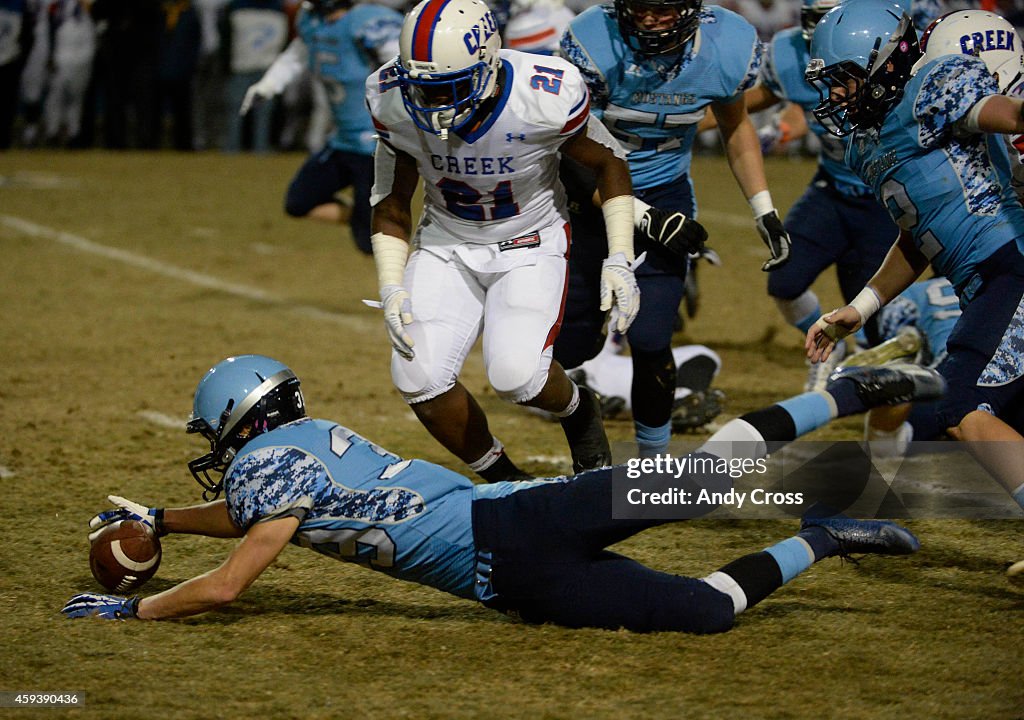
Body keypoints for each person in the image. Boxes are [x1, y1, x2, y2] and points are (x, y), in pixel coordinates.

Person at [62, 354, 940, 630]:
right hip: (511, 572)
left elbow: (228, 582)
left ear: (237, 423)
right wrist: (164, 518)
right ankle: (830, 539)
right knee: (707, 609)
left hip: (516, 530)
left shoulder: (263, 472)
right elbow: (259, 516)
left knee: (712, 472)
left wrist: (129, 614)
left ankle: (853, 390)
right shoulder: (285, 458)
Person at [364, 0, 643, 481]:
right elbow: (390, 200)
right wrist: (391, 285)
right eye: (422, 90)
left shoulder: (542, 95)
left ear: (488, 63)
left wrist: (619, 255)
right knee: (417, 377)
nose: (433, 105)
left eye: (448, 89)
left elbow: (608, 162)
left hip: (529, 241)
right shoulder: (391, 97)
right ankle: (508, 485)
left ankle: (580, 412)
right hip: (446, 242)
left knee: (518, 377)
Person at [804, 0, 1024, 524]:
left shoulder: (934, 85)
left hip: (1009, 267)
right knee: (952, 420)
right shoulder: (865, 142)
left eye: (844, 78)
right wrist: (859, 307)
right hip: (984, 285)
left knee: (960, 408)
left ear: (883, 64)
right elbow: (916, 234)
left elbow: (1008, 115)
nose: (833, 93)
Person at [556, 0, 793, 457]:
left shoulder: (727, 45)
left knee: (650, 337)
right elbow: (565, 146)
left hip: (665, 193)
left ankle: (653, 461)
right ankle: (586, 433)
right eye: (639, 6)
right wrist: (645, 218)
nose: (648, 19)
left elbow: (736, 124)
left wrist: (763, 208)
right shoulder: (592, 40)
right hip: (585, 196)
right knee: (572, 346)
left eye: (662, 9)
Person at [240, 0, 403, 254]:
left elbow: (402, 64)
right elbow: (297, 53)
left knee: (370, 245)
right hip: (342, 140)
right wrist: (269, 85)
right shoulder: (313, 23)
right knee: (298, 202)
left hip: (375, 145)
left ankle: (410, 277)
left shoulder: (365, 24)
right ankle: (362, 218)